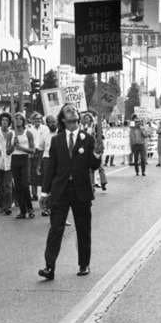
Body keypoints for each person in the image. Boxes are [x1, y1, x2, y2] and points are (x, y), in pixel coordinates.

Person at [38, 105, 103, 280]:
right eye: (68, 110)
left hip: (81, 191)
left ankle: (84, 264)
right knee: (56, 229)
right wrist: (45, 193)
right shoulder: (57, 140)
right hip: (60, 191)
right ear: (63, 119)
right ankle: (49, 267)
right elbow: (50, 168)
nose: (72, 111)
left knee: (83, 228)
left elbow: (93, 165)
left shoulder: (88, 139)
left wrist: (97, 153)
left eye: (74, 109)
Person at [10, 112, 35, 219]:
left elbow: (33, 150)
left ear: (23, 121)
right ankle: (22, 210)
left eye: (20, 119)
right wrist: (13, 145)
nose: (18, 120)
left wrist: (21, 148)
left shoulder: (28, 133)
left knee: (25, 185)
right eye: (16, 119)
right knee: (18, 186)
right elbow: (7, 151)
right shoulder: (11, 134)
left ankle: (30, 209)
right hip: (14, 159)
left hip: (24, 160)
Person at [0, 112, 14, 216]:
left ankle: (8, 207)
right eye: (3, 120)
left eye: (6, 120)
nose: (4, 122)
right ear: (0, 121)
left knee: (8, 185)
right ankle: (1, 206)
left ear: (9, 122)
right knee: (0, 185)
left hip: (9, 162)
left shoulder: (12, 133)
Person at [40, 115, 58, 216]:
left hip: (59, 161)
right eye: (49, 122)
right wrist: (39, 165)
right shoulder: (45, 134)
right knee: (46, 184)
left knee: (56, 185)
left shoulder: (61, 133)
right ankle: (45, 207)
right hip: (47, 160)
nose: (52, 124)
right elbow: (40, 149)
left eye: (53, 122)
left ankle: (54, 207)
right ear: (47, 124)